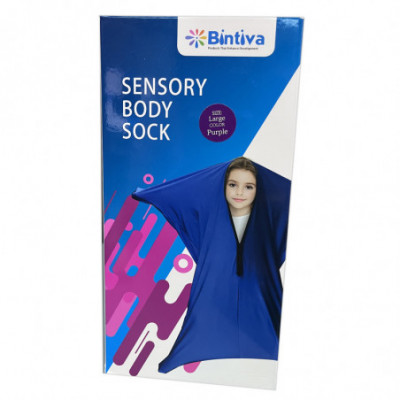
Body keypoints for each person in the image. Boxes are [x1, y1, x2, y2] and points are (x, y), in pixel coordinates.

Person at [129, 157, 291, 373]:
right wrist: (149, 194)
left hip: (258, 282)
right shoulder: (212, 214)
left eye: (248, 187)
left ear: (258, 190)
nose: (239, 192)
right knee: (205, 313)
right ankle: (188, 350)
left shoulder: (267, 217)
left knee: (268, 317)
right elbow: (181, 194)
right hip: (215, 279)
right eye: (232, 184)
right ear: (223, 186)